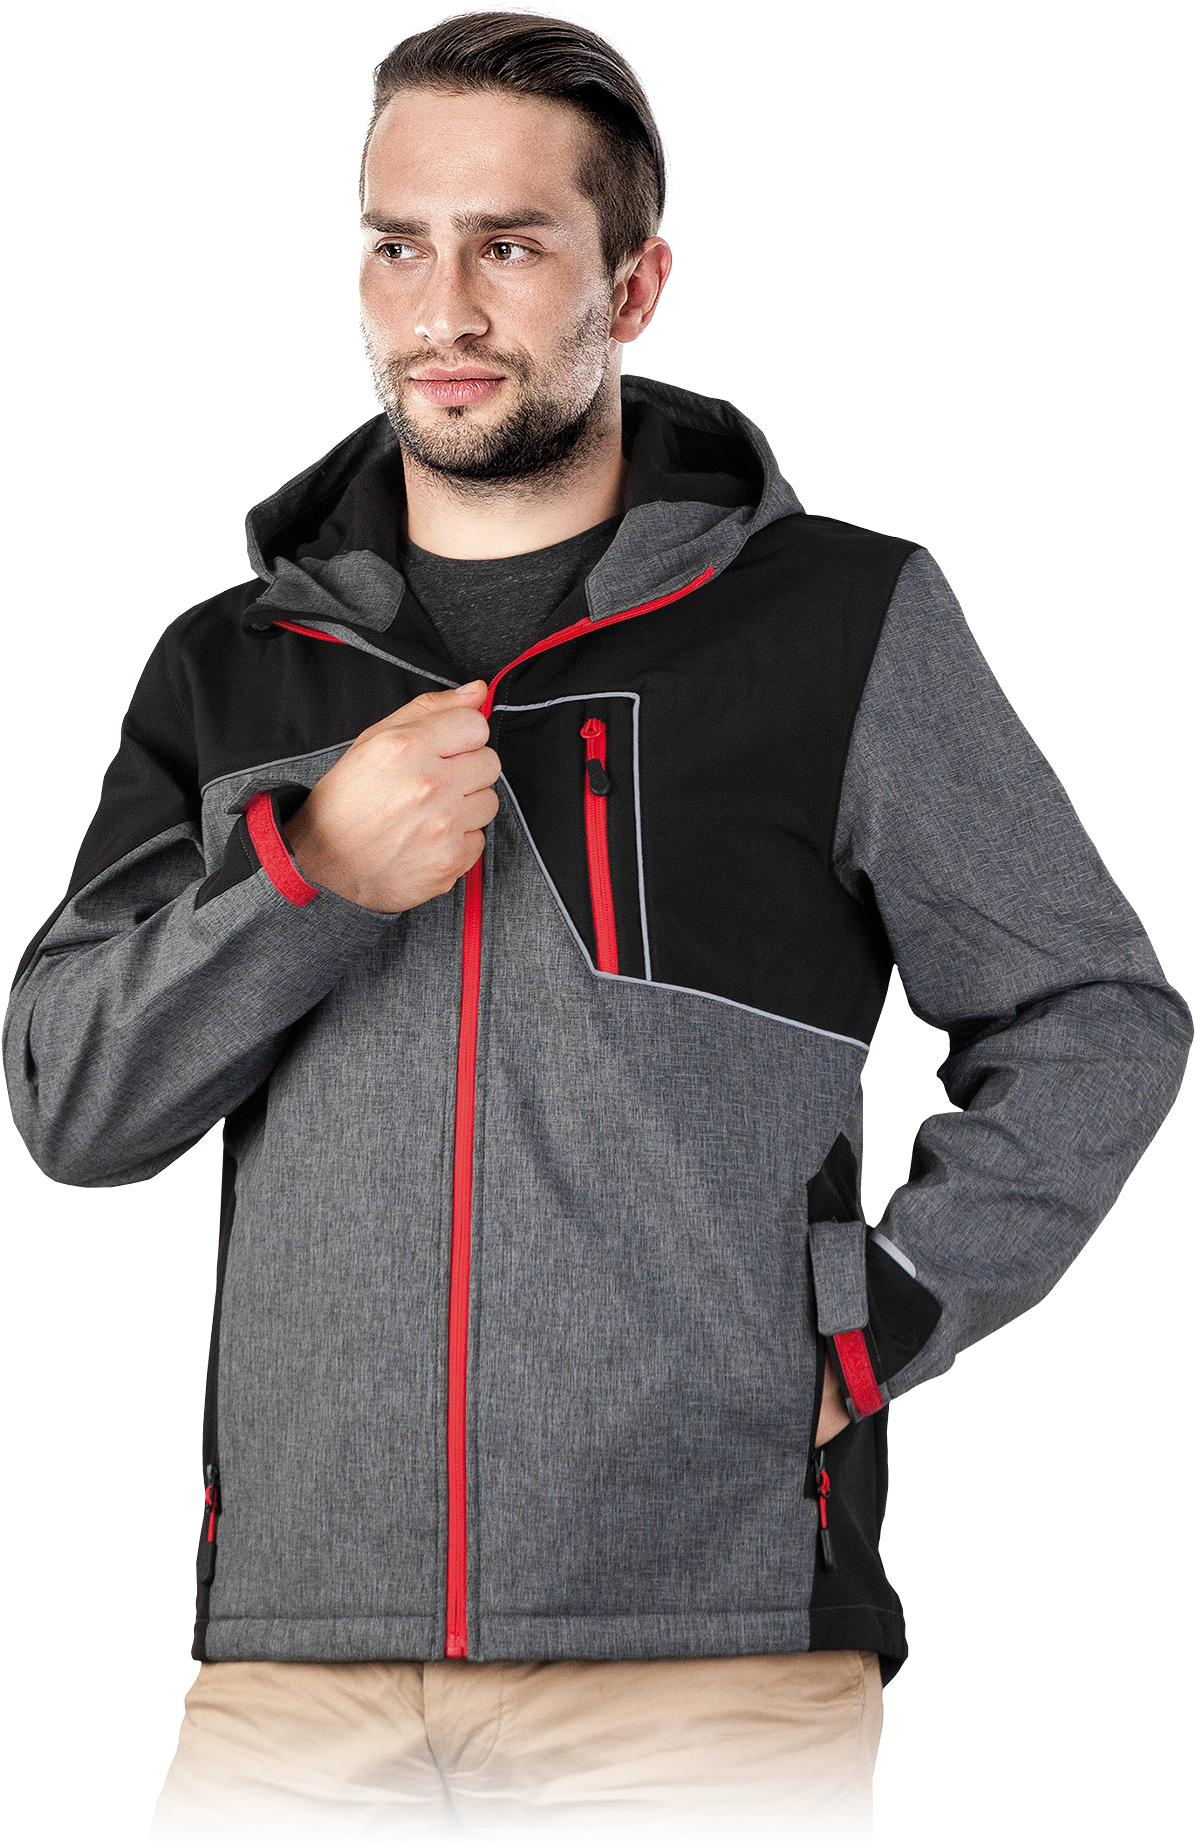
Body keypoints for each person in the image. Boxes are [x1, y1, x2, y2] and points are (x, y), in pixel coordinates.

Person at [5, 8, 1191, 1841]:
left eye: (509, 245)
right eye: (398, 245)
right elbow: (75, 1105)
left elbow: (1088, 1015)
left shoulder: (834, 627)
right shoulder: (231, 665)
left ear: (632, 285)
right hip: (293, 1679)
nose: (442, 308)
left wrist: (869, 1321)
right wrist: (307, 878)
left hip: (704, 1666)